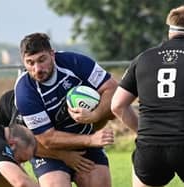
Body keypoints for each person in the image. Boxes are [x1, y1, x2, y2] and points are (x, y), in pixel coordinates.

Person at [111, 4, 184, 187]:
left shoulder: (144, 58)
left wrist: (143, 132)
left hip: (150, 146)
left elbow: (117, 105)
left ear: (170, 30)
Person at [14, 32, 118, 187]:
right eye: (30, 63)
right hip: (47, 149)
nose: (37, 69)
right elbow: (46, 138)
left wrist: (95, 115)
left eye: (42, 60)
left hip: (83, 139)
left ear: (52, 54)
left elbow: (112, 88)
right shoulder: (25, 90)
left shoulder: (74, 62)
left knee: (98, 182)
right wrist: (81, 146)